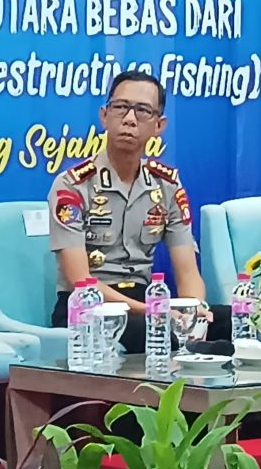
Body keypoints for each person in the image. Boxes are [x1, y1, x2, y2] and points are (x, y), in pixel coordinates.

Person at [47, 70, 231, 353]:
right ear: (104, 116)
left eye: (143, 111)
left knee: (230, 321)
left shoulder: (166, 185)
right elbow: (81, 282)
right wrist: (153, 311)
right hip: (88, 309)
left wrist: (195, 311)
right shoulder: (72, 185)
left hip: (146, 301)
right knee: (155, 332)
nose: (130, 119)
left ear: (159, 125)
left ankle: (205, 365)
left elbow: (187, 272)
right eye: (121, 107)